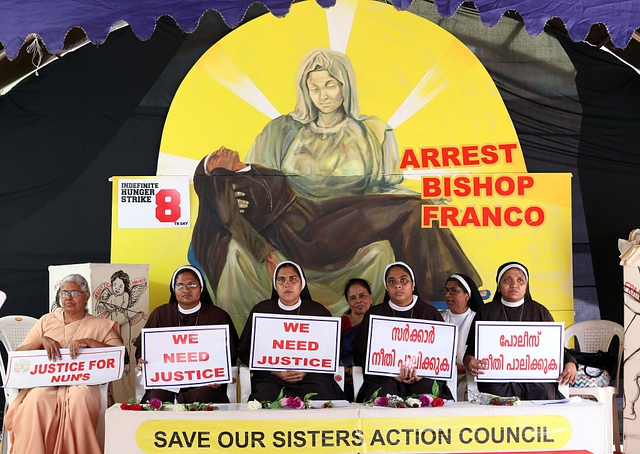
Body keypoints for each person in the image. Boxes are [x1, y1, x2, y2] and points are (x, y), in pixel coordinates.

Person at [190, 48, 481, 327]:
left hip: (345, 214)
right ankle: (445, 291)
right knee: (413, 208)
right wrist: (265, 250)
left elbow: (383, 189)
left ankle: (445, 294)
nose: (322, 96)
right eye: (313, 88)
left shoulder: (373, 131)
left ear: (345, 85)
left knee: (419, 209)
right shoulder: (280, 132)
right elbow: (241, 211)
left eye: (330, 85)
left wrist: (416, 195)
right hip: (301, 227)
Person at [5, 273, 124, 454]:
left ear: (86, 297)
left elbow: (122, 356)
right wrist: (40, 341)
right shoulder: (46, 321)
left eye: (74, 293)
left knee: (80, 399)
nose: (68, 298)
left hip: (83, 383)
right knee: (36, 401)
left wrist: (91, 342)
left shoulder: (101, 325)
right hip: (46, 383)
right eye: (63, 293)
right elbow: (19, 354)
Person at [463, 261, 577, 399]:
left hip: (534, 379)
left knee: (544, 392)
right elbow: (471, 351)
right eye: (507, 280)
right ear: (499, 287)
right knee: (496, 394)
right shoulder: (486, 312)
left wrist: (570, 363)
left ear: (526, 287)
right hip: (498, 380)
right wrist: (469, 360)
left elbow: (556, 348)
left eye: (520, 280)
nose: (514, 284)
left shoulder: (540, 311)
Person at [239, 261, 347, 402]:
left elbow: (333, 351)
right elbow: (245, 351)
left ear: (301, 284)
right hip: (272, 379)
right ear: (275, 285)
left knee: (324, 393)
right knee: (265, 396)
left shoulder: (318, 312)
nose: (287, 284)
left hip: (310, 377)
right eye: (281, 280)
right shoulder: (262, 310)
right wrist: (274, 371)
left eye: (293, 279)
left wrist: (306, 370)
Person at [134, 265, 239, 404]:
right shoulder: (160, 314)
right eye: (180, 286)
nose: (186, 290)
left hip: (205, 383)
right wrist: (142, 361)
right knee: (157, 397)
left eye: (192, 285)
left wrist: (219, 375)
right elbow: (143, 351)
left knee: (204, 396)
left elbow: (230, 354)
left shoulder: (218, 316)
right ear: (174, 289)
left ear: (201, 288)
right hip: (167, 383)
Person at [352, 262, 454, 402]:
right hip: (385, 378)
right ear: (387, 288)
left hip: (423, 377)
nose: (398, 285)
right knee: (384, 393)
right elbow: (361, 354)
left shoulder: (429, 313)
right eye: (392, 281)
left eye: (403, 280)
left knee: (427, 392)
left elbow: (443, 354)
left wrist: (423, 372)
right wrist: (390, 373)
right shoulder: (375, 314)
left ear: (413, 285)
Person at [441, 273, 482, 400]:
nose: (448, 295)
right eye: (446, 290)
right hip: (444, 379)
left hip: (473, 379)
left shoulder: (479, 320)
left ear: (467, 295)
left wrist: (466, 368)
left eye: (454, 291)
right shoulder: (439, 319)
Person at [341, 278, 373, 400]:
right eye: (353, 298)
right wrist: (349, 372)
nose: (358, 301)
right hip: (345, 376)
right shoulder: (342, 323)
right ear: (348, 302)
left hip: (375, 376)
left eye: (362, 296)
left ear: (370, 297)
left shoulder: (381, 322)